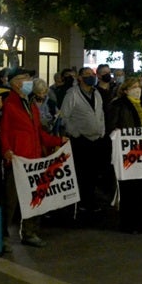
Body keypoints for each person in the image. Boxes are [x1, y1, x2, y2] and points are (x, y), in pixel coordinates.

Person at [0, 68, 67, 248]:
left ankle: (29, 232)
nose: (29, 81)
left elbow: (39, 133)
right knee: (11, 201)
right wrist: (7, 151)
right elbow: (4, 131)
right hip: (18, 160)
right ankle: (3, 237)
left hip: (34, 158)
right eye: (25, 78)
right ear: (15, 83)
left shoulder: (29, 104)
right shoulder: (10, 104)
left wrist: (58, 140)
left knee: (35, 197)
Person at [60, 67, 109, 219]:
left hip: (96, 139)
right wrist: (75, 133)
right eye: (86, 75)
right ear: (80, 78)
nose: (90, 77)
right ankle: (80, 203)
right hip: (81, 140)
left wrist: (101, 130)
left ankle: (90, 201)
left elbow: (100, 113)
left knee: (93, 173)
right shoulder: (72, 94)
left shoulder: (96, 93)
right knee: (82, 173)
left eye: (92, 74)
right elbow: (64, 116)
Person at [105, 76, 142, 233]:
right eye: (134, 87)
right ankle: (127, 222)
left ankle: (138, 221)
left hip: (140, 152)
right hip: (126, 152)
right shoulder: (118, 105)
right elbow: (111, 126)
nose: (138, 89)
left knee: (138, 188)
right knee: (128, 189)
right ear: (125, 90)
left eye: (139, 86)